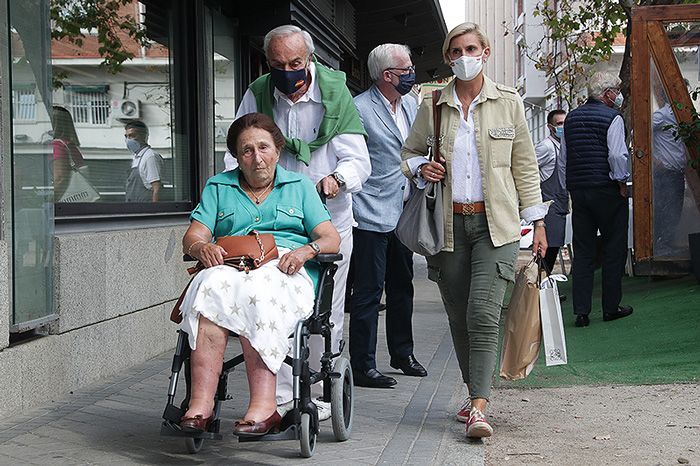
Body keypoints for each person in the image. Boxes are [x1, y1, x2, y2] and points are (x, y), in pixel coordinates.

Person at [401, 22, 548, 439]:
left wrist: (538, 221)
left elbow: (524, 164)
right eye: (456, 51)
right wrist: (420, 168)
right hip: (447, 227)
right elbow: (408, 154)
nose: (464, 56)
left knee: (484, 313)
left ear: (484, 52)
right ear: (449, 58)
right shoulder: (432, 104)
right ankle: (472, 395)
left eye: (471, 48)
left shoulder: (509, 102)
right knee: (460, 316)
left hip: (496, 225)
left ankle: (480, 407)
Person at [226, 25, 370, 415]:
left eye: (295, 63)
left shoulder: (335, 94)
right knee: (275, 304)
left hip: (326, 222)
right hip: (272, 224)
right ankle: (284, 395)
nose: (289, 71)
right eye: (279, 65)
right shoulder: (258, 94)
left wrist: (338, 179)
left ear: (309, 58)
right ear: (268, 64)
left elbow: (360, 161)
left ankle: (323, 389)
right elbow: (236, 151)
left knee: (324, 310)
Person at [178, 113, 340, 436]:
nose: (257, 157)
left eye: (263, 147)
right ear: (237, 157)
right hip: (233, 265)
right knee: (207, 288)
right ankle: (200, 404)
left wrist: (306, 251)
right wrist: (201, 249)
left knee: (262, 290)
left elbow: (330, 238)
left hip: (284, 267)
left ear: (278, 151)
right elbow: (193, 236)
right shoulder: (218, 186)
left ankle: (265, 406)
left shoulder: (299, 187)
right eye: (247, 150)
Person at [348, 43, 425, 389]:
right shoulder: (360, 109)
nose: (412, 74)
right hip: (370, 212)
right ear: (387, 75)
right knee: (367, 292)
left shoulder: (410, 104)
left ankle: (402, 353)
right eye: (406, 69)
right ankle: (363, 365)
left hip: (404, 210)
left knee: (402, 287)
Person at [562, 71, 633, 328]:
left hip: (579, 191)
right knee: (613, 248)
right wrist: (621, 182)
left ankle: (581, 312)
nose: (619, 95)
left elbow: (564, 159)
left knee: (583, 251)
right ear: (608, 94)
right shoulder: (613, 118)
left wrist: (569, 187)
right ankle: (610, 307)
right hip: (607, 190)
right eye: (617, 90)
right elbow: (617, 156)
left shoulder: (570, 118)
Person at [651, 78, 688, 256]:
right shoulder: (661, 115)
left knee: (675, 209)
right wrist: (655, 160)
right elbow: (639, 134)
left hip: (677, 171)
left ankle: (667, 243)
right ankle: (660, 246)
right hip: (665, 172)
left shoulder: (681, 115)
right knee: (666, 209)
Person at [535, 109, 568, 274]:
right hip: (549, 205)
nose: (563, 126)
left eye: (565, 122)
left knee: (553, 248)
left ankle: (543, 289)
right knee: (548, 249)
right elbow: (528, 170)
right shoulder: (546, 147)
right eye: (560, 124)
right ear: (550, 126)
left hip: (560, 203)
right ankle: (538, 291)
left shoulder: (563, 146)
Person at [52, 106, 88, 200]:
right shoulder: (70, 146)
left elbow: (60, 178)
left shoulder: (58, 146)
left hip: (64, 201)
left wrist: (51, 199)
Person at [124, 120, 163, 202]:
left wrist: (154, 211)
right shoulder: (137, 157)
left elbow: (156, 188)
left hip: (145, 208)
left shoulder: (150, 157)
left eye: (132, 136)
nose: (128, 140)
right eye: (126, 136)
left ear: (143, 136)